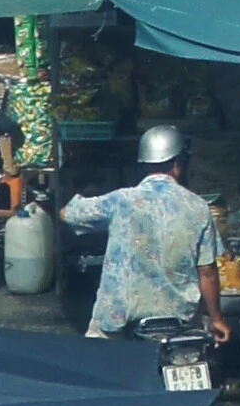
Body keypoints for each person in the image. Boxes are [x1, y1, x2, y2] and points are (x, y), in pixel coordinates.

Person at [62, 121, 223, 341]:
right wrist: (216, 318)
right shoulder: (198, 207)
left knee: (95, 365)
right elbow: (207, 272)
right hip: (179, 320)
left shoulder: (121, 201)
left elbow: (67, 215)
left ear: (143, 165)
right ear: (178, 164)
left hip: (119, 318)